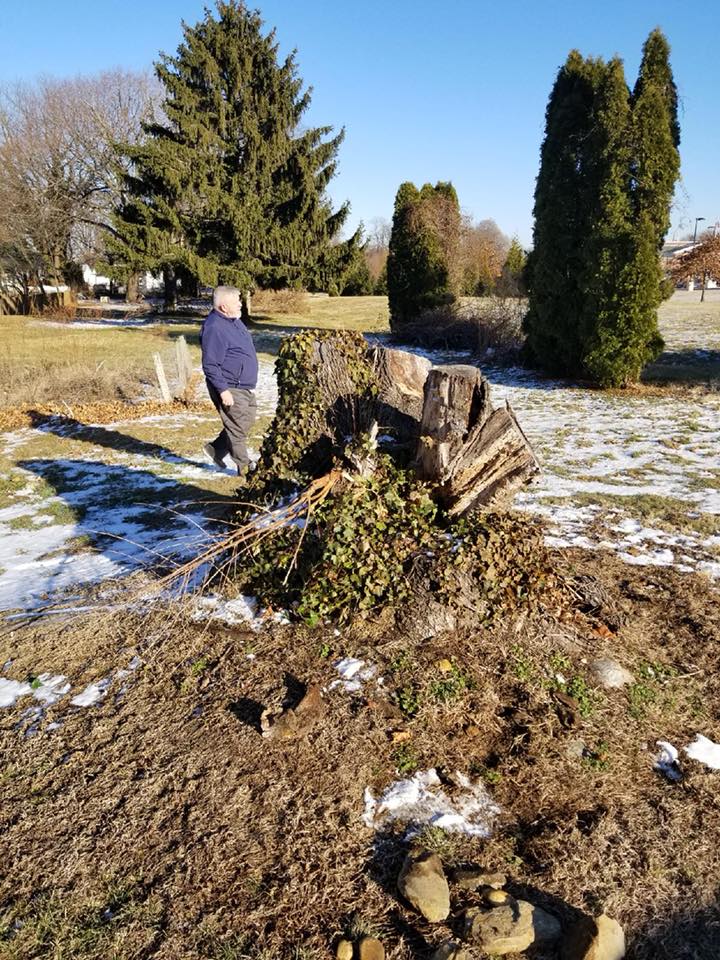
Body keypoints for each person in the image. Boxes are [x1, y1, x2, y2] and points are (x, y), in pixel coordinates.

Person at [201, 285, 258, 476]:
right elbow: (210, 364)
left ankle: (216, 449)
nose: (241, 304)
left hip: (244, 385)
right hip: (230, 386)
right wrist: (223, 390)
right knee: (236, 427)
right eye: (237, 302)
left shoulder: (234, 321)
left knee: (245, 421)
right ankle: (245, 467)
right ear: (224, 307)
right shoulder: (215, 327)